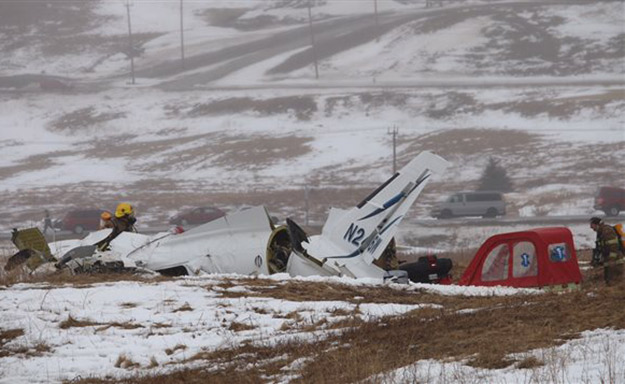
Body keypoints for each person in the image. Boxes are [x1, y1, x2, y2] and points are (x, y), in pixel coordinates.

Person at [590, 217, 624, 286]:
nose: (591, 227)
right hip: (609, 261)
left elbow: (614, 247)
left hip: (615, 262)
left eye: (592, 225)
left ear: (597, 224)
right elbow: (602, 248)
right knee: (609, 280)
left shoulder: (607, 231)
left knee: (616, 283)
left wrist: (611, 260)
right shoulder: (600, 232)